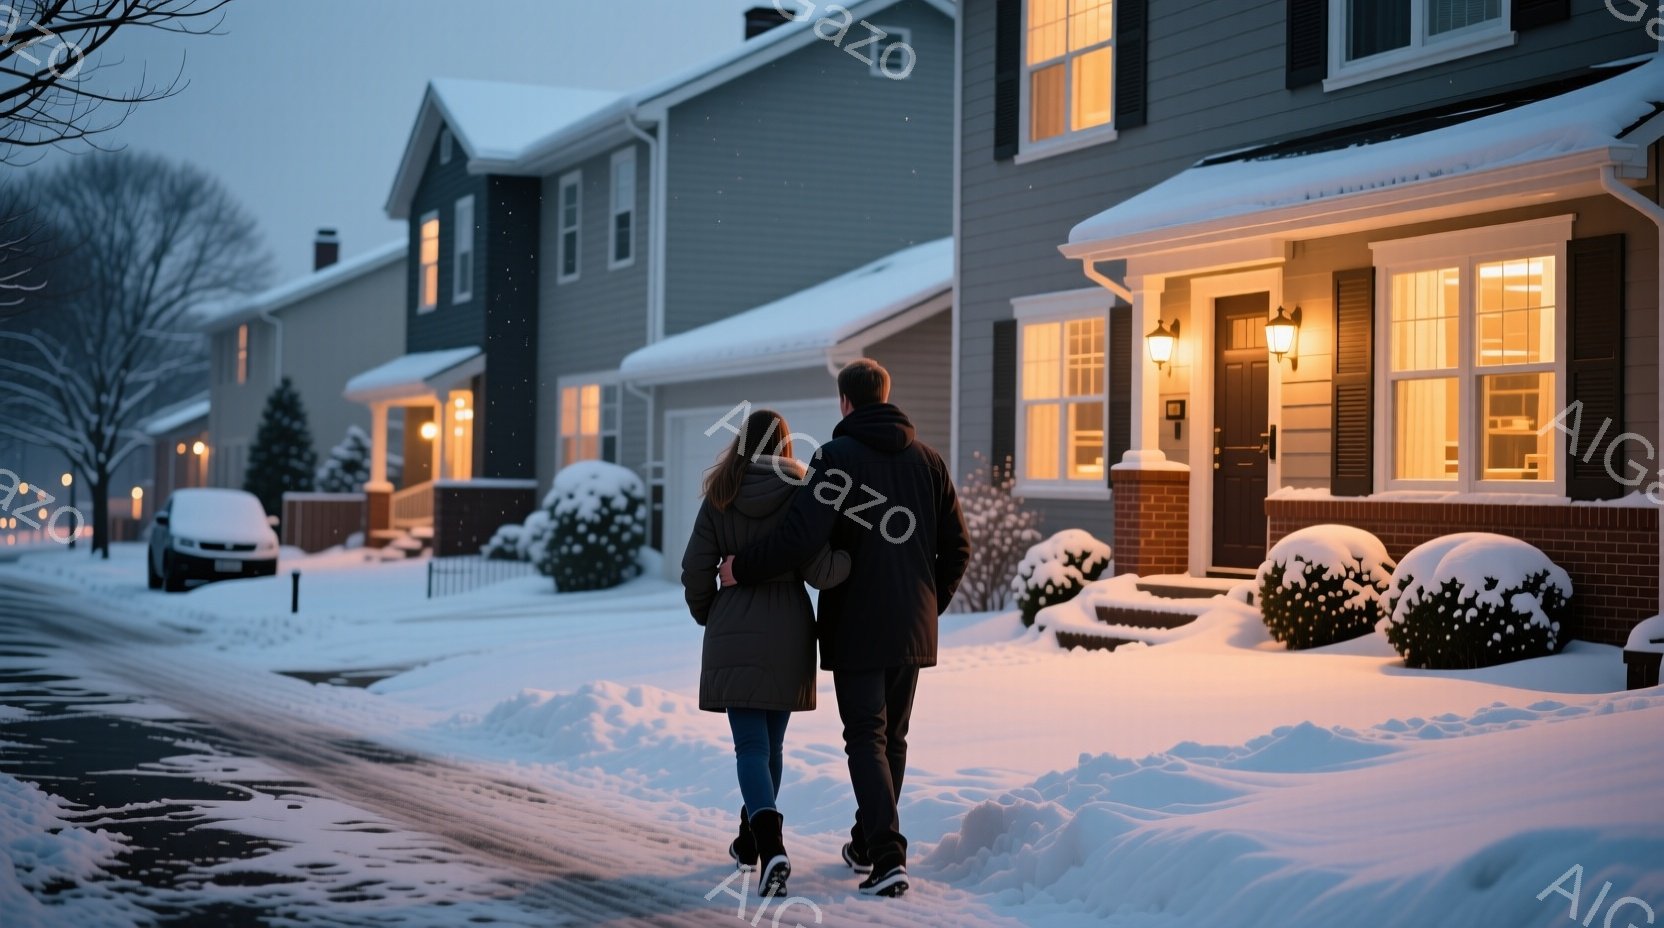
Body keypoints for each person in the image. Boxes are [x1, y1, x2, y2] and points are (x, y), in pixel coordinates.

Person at [719, 358, 971, 898]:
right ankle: (866, 844)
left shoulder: (835, 459)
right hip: (911, 625)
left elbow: (800, 538)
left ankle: (886, 856)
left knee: (866, 737)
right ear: (886, 394)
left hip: (857, 623)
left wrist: (743, 567)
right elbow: (958, 548)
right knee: (892, 737)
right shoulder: (929, 461)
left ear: (845, 402)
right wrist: (928, 604)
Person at [682, 407, 850, 900]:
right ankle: (753, 843)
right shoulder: (800, 492)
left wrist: (711, 612)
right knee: (770, 748)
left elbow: (695, 567)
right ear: (786, 446)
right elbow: (822, 570)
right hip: (788, 633)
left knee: (751, 748)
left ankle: (768, 846)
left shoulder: (721, 494)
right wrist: (853, 557)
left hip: (733, 629)